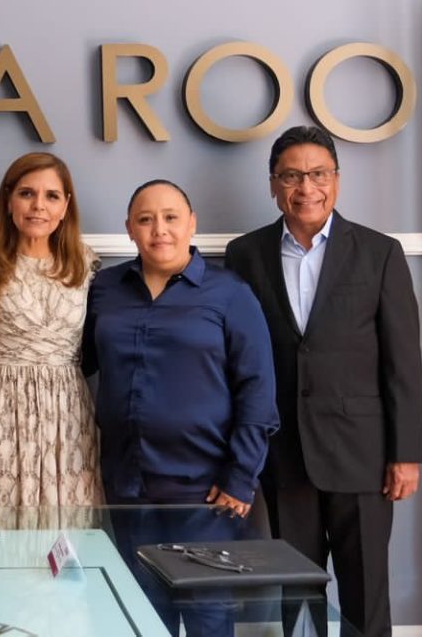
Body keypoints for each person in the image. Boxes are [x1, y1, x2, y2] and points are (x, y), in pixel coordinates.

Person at [224, 126, 422, 637]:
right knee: (297, 593)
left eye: (318, 174)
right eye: (291, 176)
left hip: (363, 455)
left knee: (366, 594)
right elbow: (239, 357)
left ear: (337, 179)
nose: (306, 187)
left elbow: (403, 362)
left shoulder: (380, 252)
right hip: (285, 451)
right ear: (274, 185)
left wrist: (406, 454)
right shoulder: (245, 254)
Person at [86, 179, 278, 637]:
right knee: (143, 614)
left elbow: (257, 389)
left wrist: (240, 477)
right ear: (129, 229)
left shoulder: (230, 293)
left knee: (207, 614)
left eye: (171, 217)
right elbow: (75, 362)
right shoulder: (106, 288)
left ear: (192, 223)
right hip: (127, 485)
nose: (160, 230)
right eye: (146, 219)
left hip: (205, 491)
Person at [0, 152, 101, 507]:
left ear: (65, 206)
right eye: (27, 193)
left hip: (67, 415)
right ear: (8, 200)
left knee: (69, 522)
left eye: (51, 196)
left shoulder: (84, 262)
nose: (38, 206)